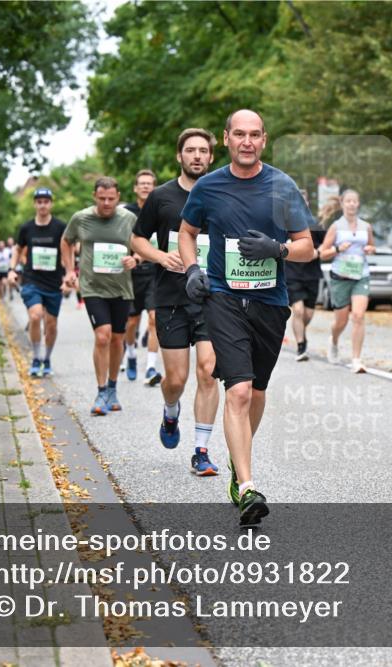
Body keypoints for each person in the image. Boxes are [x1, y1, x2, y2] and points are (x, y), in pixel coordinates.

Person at [179, 109, 316, 527]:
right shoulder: (209, 186)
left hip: (270, 303)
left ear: (264, 139)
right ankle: (248, 485)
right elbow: (187, 232)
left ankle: (240, 469)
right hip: (222, 298)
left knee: (256, 393)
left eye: (254, 135)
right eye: (239, 134)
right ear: (226, 139)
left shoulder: (281, 185)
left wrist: (278, 251)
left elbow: (308, 246)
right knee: (237, 391)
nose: (247, 141)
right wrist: (191, 270)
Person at [132, 128, 220, 475]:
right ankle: (171, 411)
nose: (197, 155)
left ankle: (201, 450)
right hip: (170, 296)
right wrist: (158, 256)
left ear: (211, 157)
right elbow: (137, 239)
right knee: (177, 379)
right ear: (179, 156)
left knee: (209, 371)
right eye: (190, 150)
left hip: (212, 297)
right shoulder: (161, 197)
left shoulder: (220, 194)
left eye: (202, 150)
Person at [61, 177, 139, 415]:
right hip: (92, 287)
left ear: (118, 197)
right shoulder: (81, 218)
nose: (106, 203)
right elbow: (66, 241)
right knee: (103, 336)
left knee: (117, 339)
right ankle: (101, 389)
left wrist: (135, 259)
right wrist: (68, 270)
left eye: (111, 199)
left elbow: (143, 245)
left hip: (121, 288)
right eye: (102, 198)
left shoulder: (129, 219)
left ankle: (113, 388)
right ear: (94, 196)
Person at [9, 187, 67, 378]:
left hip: (53, 282)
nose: (43, 205)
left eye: (46, 201)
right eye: (39, 201)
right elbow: (18, 249)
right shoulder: (27, 228)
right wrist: (11, 270)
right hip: (32, 279)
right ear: (35, 204)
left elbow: (68, 250)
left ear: (51, 204)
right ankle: (36, 357)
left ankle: (47, 358)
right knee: (35, 316)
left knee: (51, 324)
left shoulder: (60, 227)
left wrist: (69, 274)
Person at [319, 189, 376, 373]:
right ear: (342, 204)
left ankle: (356, 360)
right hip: (340, 276)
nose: (351, 204)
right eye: (348, 201)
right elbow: (322, 253)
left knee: (358, 316)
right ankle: (334, 340)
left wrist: (369, 249)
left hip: (361, 274)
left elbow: (372, 246)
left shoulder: (366, 226)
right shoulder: (336, 227)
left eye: (355, 201)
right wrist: (337, 248)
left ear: (358, 204)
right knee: (340, 322)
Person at [123, 169, 163, 385]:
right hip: (131, 274)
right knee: (131, 322)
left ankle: (149, 367)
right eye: (142, 183)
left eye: (150, 183)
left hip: (155, 273)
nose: (146, 186)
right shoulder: (126, 213)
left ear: (154, 187)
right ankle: (130, 355)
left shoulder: (160, 210)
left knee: (154, 319)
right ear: (135, 188)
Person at [285, 191, 328, 361]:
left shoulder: (315, 225)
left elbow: (327, 244)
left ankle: (300, 331)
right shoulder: (284, 224)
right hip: (291, 274)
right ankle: (301, 346)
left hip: (311, 274)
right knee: (298, 310)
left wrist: (317, 252)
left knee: (307, 315)